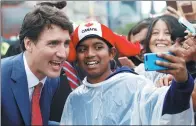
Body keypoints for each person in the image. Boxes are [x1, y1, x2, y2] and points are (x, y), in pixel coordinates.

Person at [60, 21, 194, 125]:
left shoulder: (134, 85)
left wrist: (182, 81)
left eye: (98, 47)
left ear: (112, 53)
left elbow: (166, 107)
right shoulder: (74, 99)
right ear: (77, 56)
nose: (90, 54)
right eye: (82, 49)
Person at [1, 3, 73, 125]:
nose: (63, 54)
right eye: (53, 43)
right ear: (28, 44)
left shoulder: (52, 80)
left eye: (66, 43)